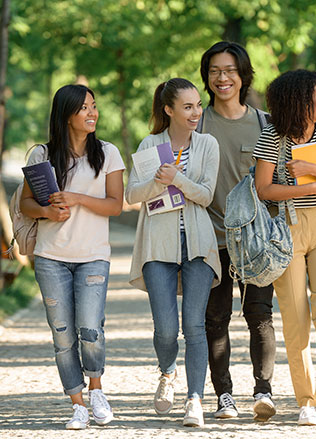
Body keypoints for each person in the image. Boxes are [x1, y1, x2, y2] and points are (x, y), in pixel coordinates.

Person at [19, 84, 125, 430]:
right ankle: (77, 402)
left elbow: (115, 205)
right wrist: (48, 213)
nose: (92, 113)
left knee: (90, 328)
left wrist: (77, 198)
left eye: (94, 106)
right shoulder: (41, 156)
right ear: (66, 115)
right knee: (62, 334)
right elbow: (25, 205)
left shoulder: (108, 153)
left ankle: (96, 390)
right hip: (51, 257)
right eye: (84, 108)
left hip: (93, 255)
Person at [254, 69, 316, 426]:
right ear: (300, 102)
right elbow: (264, 189)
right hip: (287, 229)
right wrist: (306, 188)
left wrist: (314, 170)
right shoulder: (271, 137)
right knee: (296, 318)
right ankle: (306, 401)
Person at [125, 78, 220, 428]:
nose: (196, 112)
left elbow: (207, 195)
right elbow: (132, 195)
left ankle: (195, 398)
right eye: (188, 107)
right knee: (166, 328)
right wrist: (158, 182)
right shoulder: (150, 144)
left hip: (198, 244)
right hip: (158, 244)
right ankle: (167, 372)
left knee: (194, 325)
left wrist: (178, 179)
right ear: (169, 110)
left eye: (198, 105)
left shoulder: (208, 144)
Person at [197, 41, 277, 421]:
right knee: (215, 319)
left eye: (229, 70)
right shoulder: (196, 124)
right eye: (214, 71)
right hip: (210, 239)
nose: (222, 78)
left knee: (259, 314)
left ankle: (263, 390)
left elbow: (278, 179)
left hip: (255, 243)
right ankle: (223, 394)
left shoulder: (265, 123)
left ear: (243, 75)